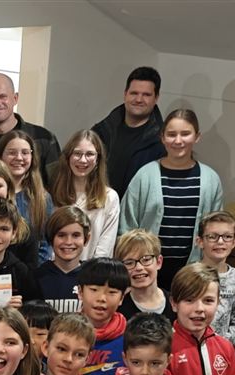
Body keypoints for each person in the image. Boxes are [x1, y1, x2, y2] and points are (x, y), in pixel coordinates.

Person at [119, 109, 224, 287]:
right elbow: (126, 226)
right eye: (171, 134)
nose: (178, 141)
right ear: (162, 137)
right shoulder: (145, 175)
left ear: (197, 137)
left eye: (185, 134)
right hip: (145, 271)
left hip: (193, 272)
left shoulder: (210, 179)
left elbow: (216, 230)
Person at [91, 66, 164, 196]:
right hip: (99, 205)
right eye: (134, 93)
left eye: (146, 95)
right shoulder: (101, 131)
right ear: (125, 94)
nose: (139, 99)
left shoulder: (162, 142)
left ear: (156, 98)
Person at [50, 130, 121, 261]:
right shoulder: (52, 194)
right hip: (56, 268)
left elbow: (105, 248)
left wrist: (90, 272)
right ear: (68, 157)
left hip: (92, 270)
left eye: (89, 154)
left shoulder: (110, 198)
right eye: (77, 153)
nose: (83, 160)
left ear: (98, 159)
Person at [0, 130, 56, 263]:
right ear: (0, 156)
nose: (19, 157)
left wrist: (30, 272)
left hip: (31, 270)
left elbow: (46, 244)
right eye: (12, 152)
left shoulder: (43, 198)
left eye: (25, 152)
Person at [76, 258, 130, 375]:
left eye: (112, 292)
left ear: (122, 298)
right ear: (80, 292)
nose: (102, 298)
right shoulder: (63, 333)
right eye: (94, 290)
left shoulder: (131, 338)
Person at [194, 211, 235, 343]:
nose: (220, 241)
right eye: (212, 237)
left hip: (222, 348)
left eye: (227, 236)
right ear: (200, 241)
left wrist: (219, 345)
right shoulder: (189, 275)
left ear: (234, 242)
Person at [36, 206, 91, 313]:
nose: (68, 242)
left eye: (76, 235)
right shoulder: (36, 277)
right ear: (51, 238)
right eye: (61, 235)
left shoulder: (94, 277)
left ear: (86, 239)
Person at [116, 229, 168, 319]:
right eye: (129, 263)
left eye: (146, 260)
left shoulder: (176, 304)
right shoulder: (117, 308)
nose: (139, 268)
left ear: (159, 262)